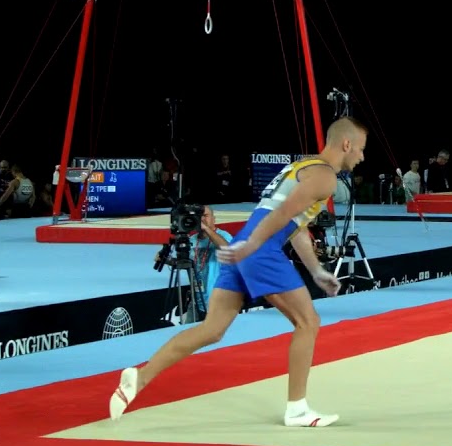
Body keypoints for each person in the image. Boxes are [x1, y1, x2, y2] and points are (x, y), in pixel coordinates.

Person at [109, 117, 367, 427]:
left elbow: (295, 225)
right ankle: (297, 409)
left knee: (212, 329)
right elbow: (282, 213)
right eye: (361, 150)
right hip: (258, 247)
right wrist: (254, 245)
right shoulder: (326, 177)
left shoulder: (302, 166)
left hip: (246, 245)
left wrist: (315, 270)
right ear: (347, 144)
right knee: (308, 322)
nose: (361, 158)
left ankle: (139, 378)